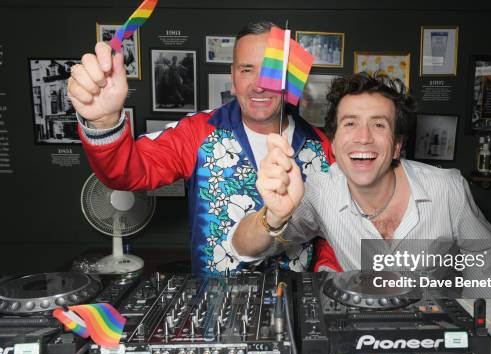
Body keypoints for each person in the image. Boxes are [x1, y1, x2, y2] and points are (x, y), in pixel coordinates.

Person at [67, 21, 335, 276]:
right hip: (213, 306)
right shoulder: (198, 133)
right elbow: (125, 173)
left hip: (292, 305)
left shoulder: (322, 147)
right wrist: (103, 123)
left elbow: (333, 232)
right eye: (246, 69)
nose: (259, 84)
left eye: (270, 71)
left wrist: (326, 277)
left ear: (287, 76)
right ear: (233, 77)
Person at [230, 72, 491, 296]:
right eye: (350, 124)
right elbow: (245, 247)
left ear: (396, 146)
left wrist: (468, 318)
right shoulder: (320, 191)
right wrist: (274, 215)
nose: (363, 137)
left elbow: (483, 249)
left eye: (379, 125)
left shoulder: (448, 188)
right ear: (333, 144)